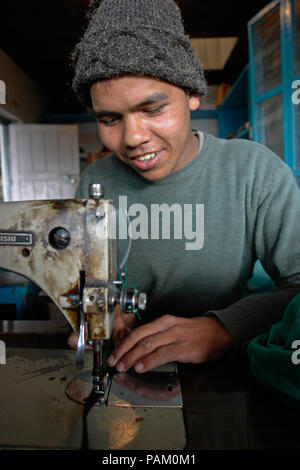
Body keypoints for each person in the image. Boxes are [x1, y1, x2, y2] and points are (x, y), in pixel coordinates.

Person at [68, 0, 300, 375]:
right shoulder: (95, 184)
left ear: (192, 94)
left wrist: (223, 328)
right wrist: (98, 314)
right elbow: (83, 286)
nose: (133, 138)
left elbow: (299, 285)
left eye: (153, 109)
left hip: (229, 376)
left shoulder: (253, 171)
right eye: (110, 118)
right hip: (128, 366)